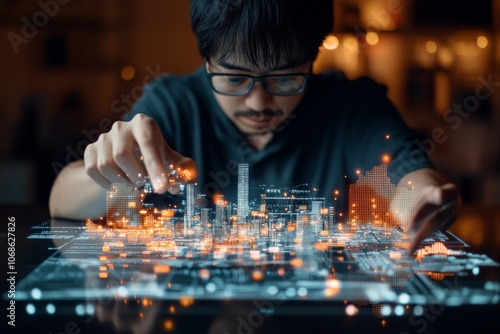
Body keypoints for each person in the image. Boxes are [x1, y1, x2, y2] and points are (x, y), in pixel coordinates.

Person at [49, 0, 461, 254]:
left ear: (314, 58)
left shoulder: (355, 108)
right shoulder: (172, 104)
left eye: (285, 78)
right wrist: (111, 174)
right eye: (233, 78)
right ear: (206, 61)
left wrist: (423, 199)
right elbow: (62, 200)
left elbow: (410, 181)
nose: (258, 102)